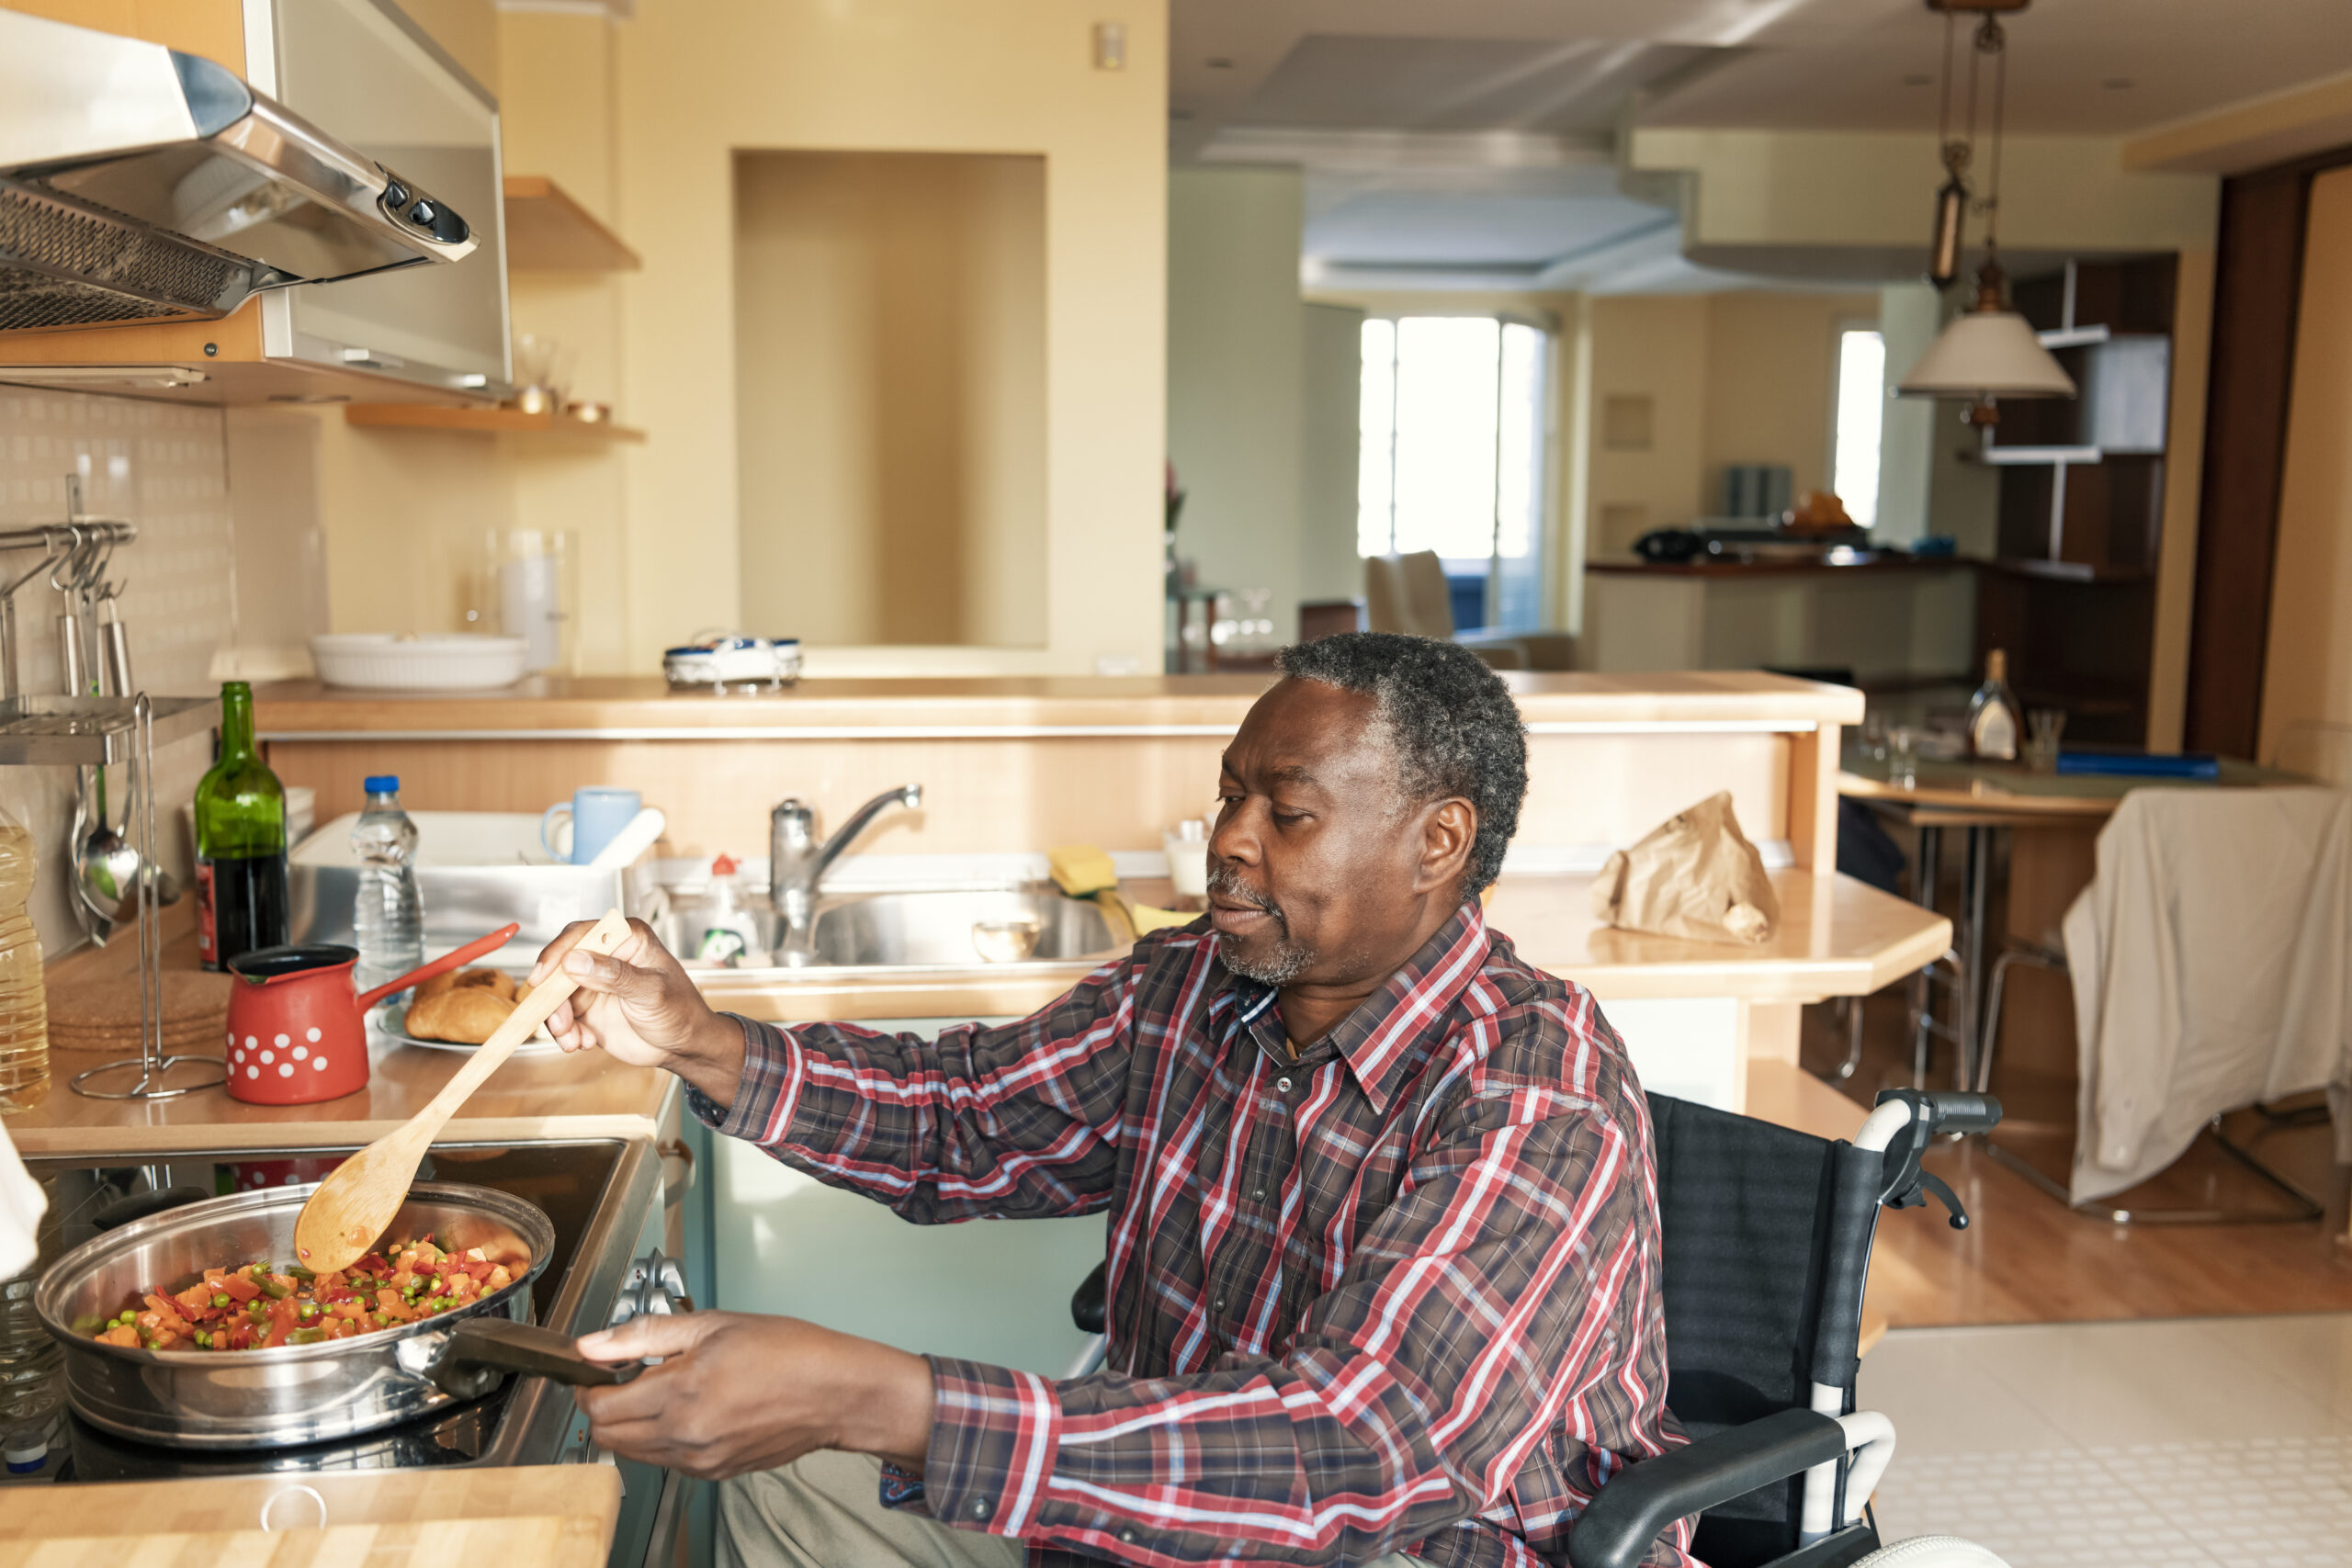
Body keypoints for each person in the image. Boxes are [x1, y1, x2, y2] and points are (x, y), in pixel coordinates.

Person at [536, 632, 1690, 1568]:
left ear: (1438, 842)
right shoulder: (1191, 984)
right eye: (1230, 795)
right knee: (783, 1483)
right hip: (1158, 1525)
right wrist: (702, 1044)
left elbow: (1354, 1448)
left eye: (1284, 814)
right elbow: (965, 1112)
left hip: (1408, 1551)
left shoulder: (1535, 1090)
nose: (1228, 841)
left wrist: (888, 1399)